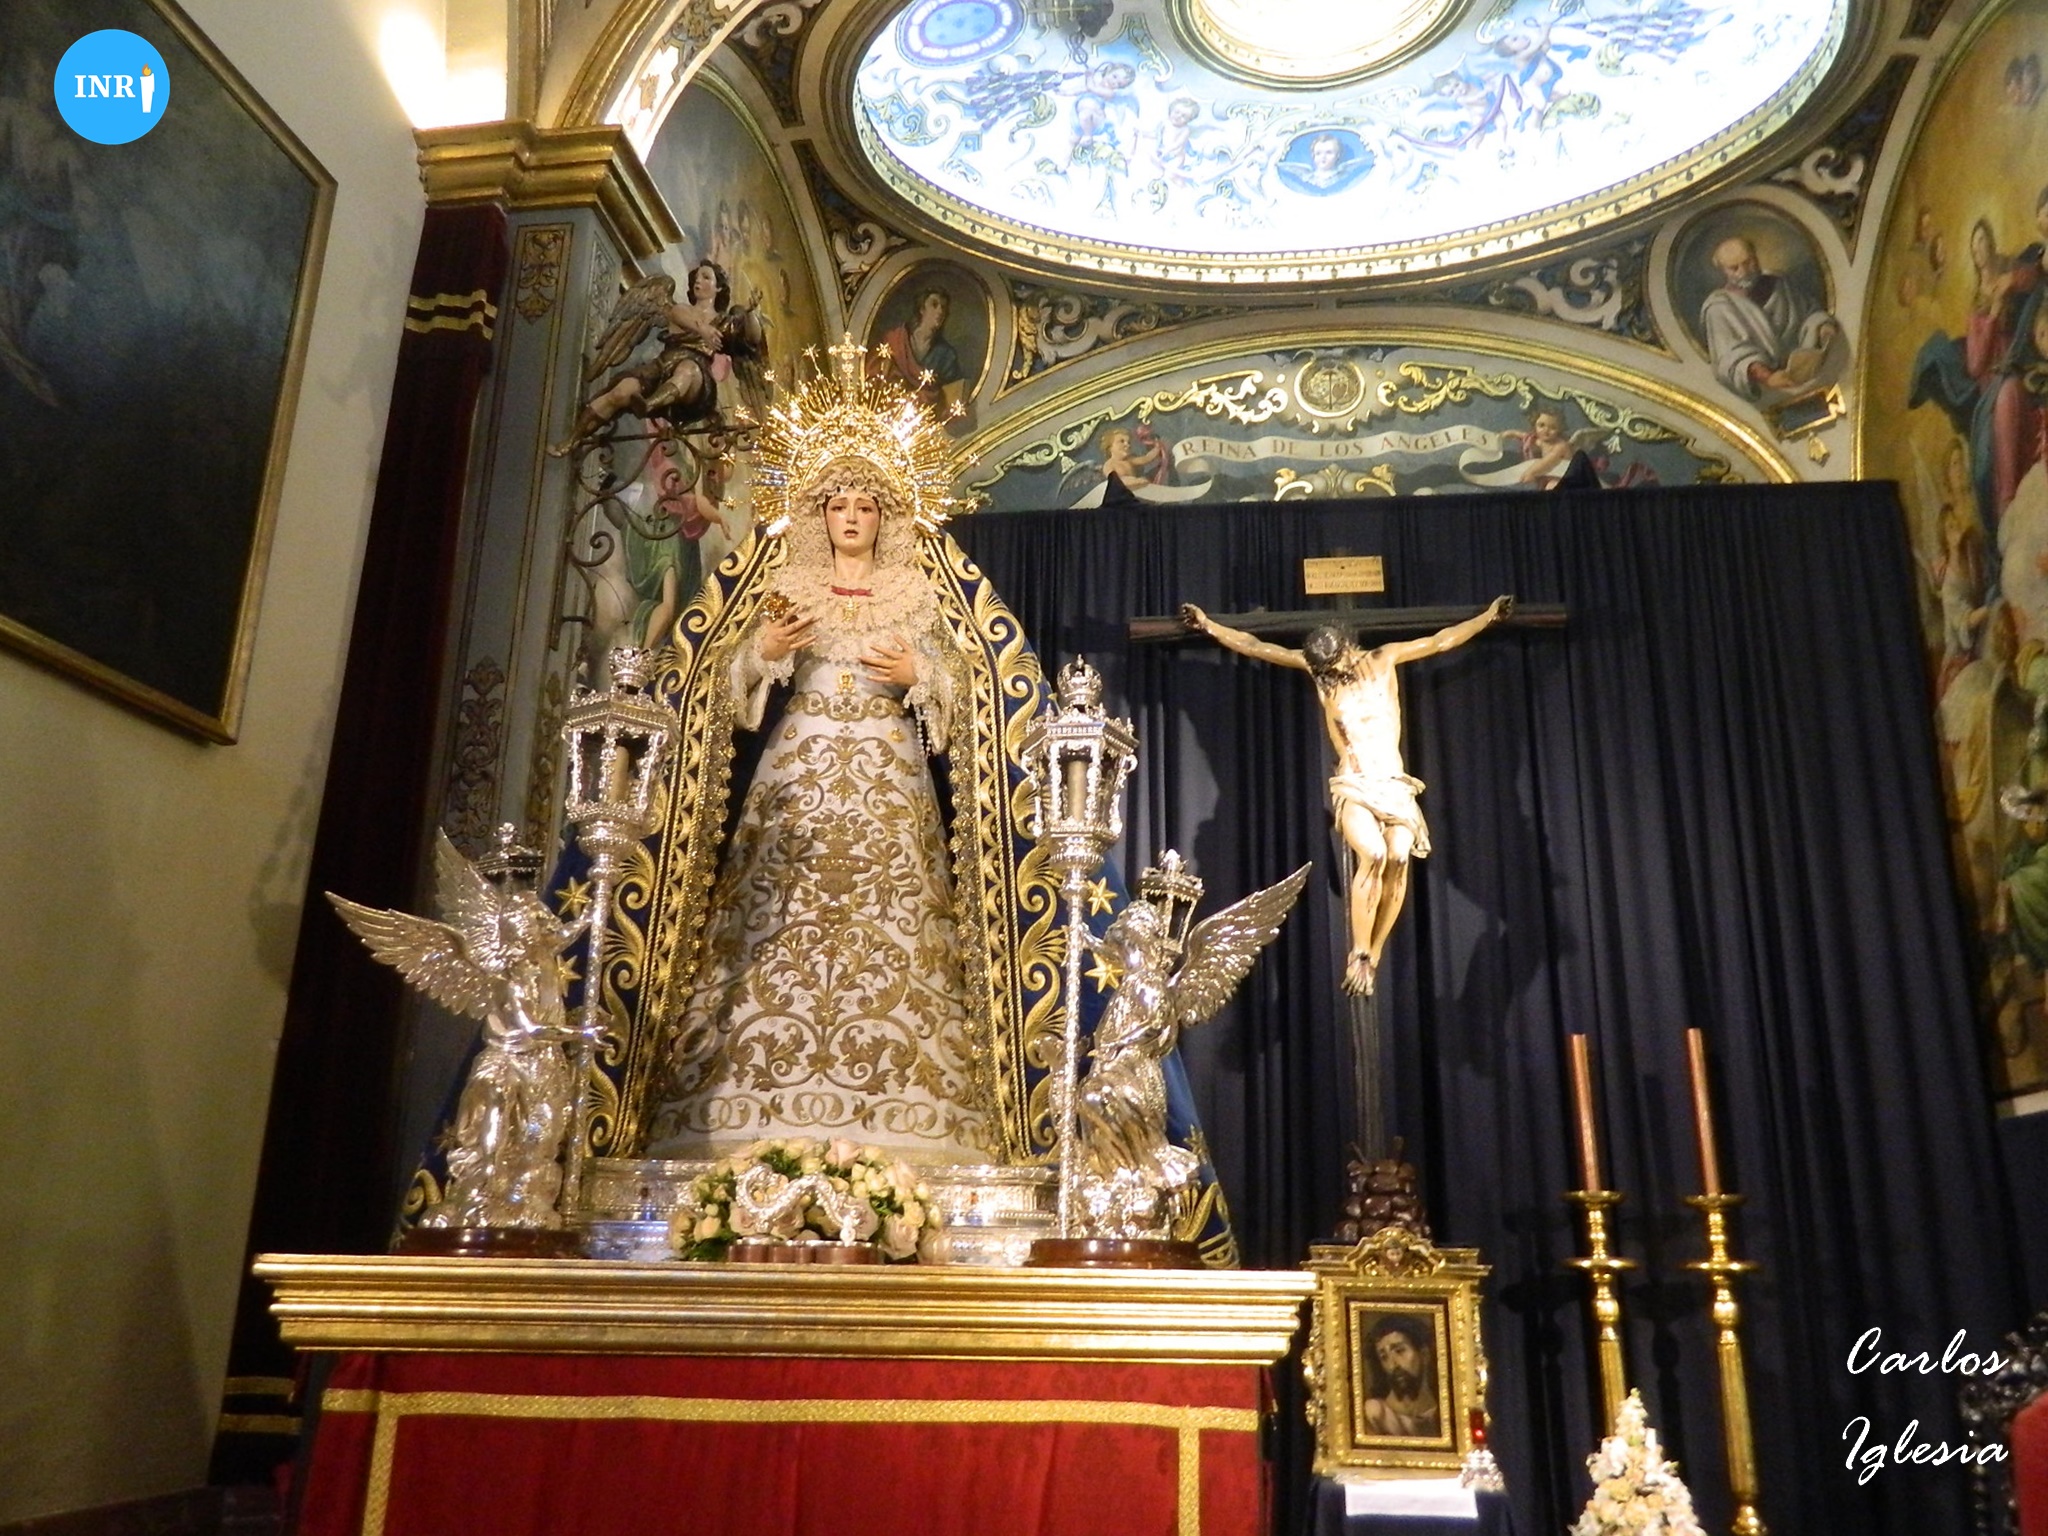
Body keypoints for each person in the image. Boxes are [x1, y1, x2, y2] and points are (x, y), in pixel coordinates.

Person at [643, 461, 988, 1160]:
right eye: (838, 505)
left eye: (866, 505)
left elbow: (971, 680)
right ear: (819, 517)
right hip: (798, 770)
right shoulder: (785, 585)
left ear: (886, 518)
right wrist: (762, 652)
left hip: (890, 773)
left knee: (895, 912)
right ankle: (744, 1098)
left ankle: (908, 1101)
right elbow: (710, 678)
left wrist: (919, 675)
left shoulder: (916, 591)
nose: (852, 517)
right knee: (775, 910)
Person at [1180, 596, 1513, 995]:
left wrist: (1487, 618)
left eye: (1335, 666)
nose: (1332, 675)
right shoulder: (1322, 675)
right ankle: (1359, 950)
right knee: (1373, 853)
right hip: (1353, 784)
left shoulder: (1384, 659)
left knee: (1399, 857)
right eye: (1325, 671)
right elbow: (1256, 647)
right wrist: (1209, 625)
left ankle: (1374, 951)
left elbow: (1441, 641)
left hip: (1393, 783)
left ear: (1347, 648)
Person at [1698, 235, 1842, 401]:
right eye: (1734, 268)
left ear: (1756, 257)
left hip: (1813, 373)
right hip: (1772, 392)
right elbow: (1731, 358)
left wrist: (1823, 327)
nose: (1744, 272)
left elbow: (1809, 313)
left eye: (1748, 262)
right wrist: (1767, 377)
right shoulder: (1718, 308)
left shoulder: (1779, 283)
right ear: (1723, 271)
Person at [880, 285, 968, 425]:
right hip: (889, 416)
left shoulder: (946, 355)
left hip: (926, 422)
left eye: (943, 307)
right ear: (922, 309)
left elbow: (952, 397)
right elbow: (878, 378)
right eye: (934, 305)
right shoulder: (896, 339)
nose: (940, 311)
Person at [1362, 1315, 1442, 1436]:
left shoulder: (1444, 1413)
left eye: (1400, 1351)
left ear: (1424, 1354)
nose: (1392, 1365)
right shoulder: (1376, 1414)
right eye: (1384, 1357)